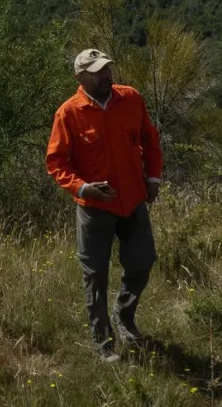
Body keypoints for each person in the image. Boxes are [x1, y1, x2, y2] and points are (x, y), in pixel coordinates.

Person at [45, 48, 163, 362]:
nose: (106, 75)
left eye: (107, 69)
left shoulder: (131, 99)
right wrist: (84, 187)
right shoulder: (69, 113)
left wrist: (153, 179)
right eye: (97, 71)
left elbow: (150, 141)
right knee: (95, 274)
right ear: (80, 77)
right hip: (94, 209)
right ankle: (103, 341)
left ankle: (124, 315)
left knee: (142, 261)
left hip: (133, 200)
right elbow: (56, 163)